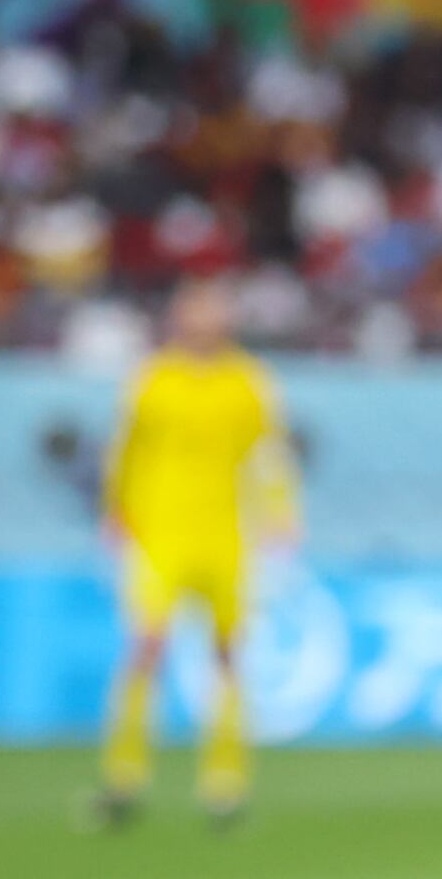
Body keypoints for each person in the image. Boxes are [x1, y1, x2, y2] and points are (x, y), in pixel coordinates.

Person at [91, 274, 295, 826]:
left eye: (214, 313)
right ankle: (123, 778)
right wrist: (115, 509)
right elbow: (124, 449)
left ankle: (225, 784)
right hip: (161, 534)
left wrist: (280, 514)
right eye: (195, 312)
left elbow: (269, 454)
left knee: (227, 656)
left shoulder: (249, 381)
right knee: (146, 647)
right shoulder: (152, 379)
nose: (204, 323)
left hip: (227, 534)